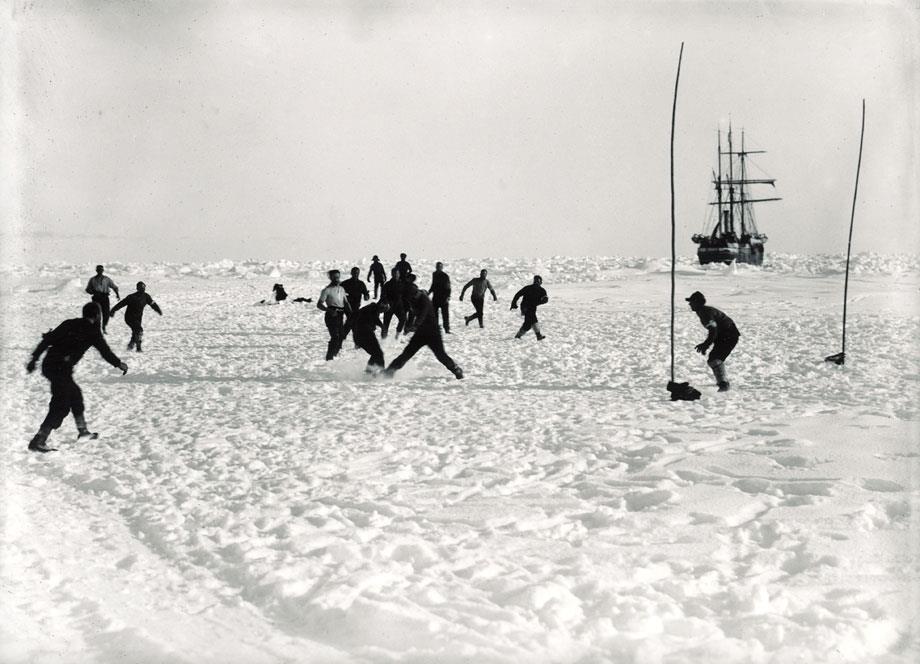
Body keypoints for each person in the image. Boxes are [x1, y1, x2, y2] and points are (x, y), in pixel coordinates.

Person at [25, 302, 128, 452]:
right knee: (62, 403)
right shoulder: (93, 332)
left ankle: (83, 431)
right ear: (97, 315)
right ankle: (39, 439)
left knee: (75, 395)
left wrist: (34, 359)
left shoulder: (69, 323)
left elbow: (48, 340)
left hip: (51, 365)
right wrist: (119, 364)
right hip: (60, 368)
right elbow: (105, 351)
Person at [384, 284, 463, 380]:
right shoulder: (413, 299)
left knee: (440, 355)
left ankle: (456, 369)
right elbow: (412, 314)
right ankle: (389, 371)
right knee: (407, 353)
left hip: (433, 333)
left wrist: (415, 325)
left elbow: (423, 314)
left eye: (412, 296)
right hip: (421, 333)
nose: (411, 298)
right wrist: (410, 326)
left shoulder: (424, 300)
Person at [687, 291, 740, 392]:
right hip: (723, 335)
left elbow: (713, 330)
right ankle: (722, 382)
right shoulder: (703, 311)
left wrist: (706, 344)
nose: (689, 304)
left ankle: (724, 384)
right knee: (714, 359)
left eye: (692, 302)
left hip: (729, 335)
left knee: (715, 359)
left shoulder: (705, 312)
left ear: (697, 303)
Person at [110, 281, 163, 352]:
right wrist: (113, 310)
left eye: (143, 288)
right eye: (141, 288)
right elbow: (121, 304)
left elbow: (152, 304)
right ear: (137, 288)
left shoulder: (146, 296)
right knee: (139, 330)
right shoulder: (131, 297)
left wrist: (158, 310)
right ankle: (138, 348)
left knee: (136, 331)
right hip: (129, 318)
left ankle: (131, 344)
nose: (142, 290)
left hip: (138, 318)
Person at [317, 270, 352, 361]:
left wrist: (351, 314)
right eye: (334, 277)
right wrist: (328, 310)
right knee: (335, 337)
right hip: (331, 314)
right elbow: (319, 304)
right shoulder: (326, 290)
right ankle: (329, 358)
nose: (337, 279)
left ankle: (335, 355)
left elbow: (346, 302)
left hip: (340, 314)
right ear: (330, 278)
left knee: (341, 336)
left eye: (338, 277)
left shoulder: (342, 289)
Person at [352, 300, 389, 372]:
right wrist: (382, 327)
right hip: (365, 333)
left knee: (376, 354)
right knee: (379, 353)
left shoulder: (370, 308)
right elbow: (375, 318)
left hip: (361, 334)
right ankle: (382, 372)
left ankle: (368, 371)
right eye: (383, 310)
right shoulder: (373, 308)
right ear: (382, 305)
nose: (382, 313)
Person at [510, 275, 548, 340]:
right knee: (533, 319)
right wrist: (513, 304)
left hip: (531, 307)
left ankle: (518, 336)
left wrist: (514, 304)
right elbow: (518, 294)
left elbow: (545, 299)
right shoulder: (537, 289)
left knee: (528, 324)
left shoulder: (540, 290)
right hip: (526, 307)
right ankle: (538, 335)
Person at [85, 264, 120, 333]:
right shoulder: (92, 280)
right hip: (96, 298)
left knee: (106, 313)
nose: (100, 271)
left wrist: (117, 294)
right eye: (98, 270)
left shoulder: (107, 279)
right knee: (96, 314)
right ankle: (96, 329)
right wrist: (92, 292)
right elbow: (88, 289)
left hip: (105, 298)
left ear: (103, 270)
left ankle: (104, 326)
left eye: (101, 270)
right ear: (96, 270)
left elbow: (114, 287)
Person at [341, 266, 370, 343]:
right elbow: (337, 291)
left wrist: (367, 296)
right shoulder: (345, 283)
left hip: (356, 306)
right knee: (351, 322)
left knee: (353, 323)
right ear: (351, 273)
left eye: (357, 273)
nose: (355, 274)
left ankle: (344, 339)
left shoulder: (361, 284)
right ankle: (343, 339)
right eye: (354, 273)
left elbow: (366, 296)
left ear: (359, 273)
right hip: (347, 306)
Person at [380, 268, 406, 339]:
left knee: (403, 319)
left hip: (399, 306)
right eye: (394, 273)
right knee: (386, 324)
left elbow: (406, 295)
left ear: (399, 274)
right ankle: (383, 339)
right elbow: (383, 295)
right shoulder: (387, 284)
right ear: (391, 274)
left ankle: (397, 335)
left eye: (397, 273)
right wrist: (386, 303)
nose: (396, 275)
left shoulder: (402, 284)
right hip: (389, 307)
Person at [428, 261, 452, 334]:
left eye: (440, 267)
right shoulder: (434, 274)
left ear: (442, 268)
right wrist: (429, 292)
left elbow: (448, 287)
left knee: (445, 315)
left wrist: (448, 296)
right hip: (435, 297)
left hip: (443, 298)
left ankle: (446, 329)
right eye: (437, 267)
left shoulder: (445, 276)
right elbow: (433, 285)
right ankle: (436, 329)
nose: (438, 268)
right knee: (434, 314)